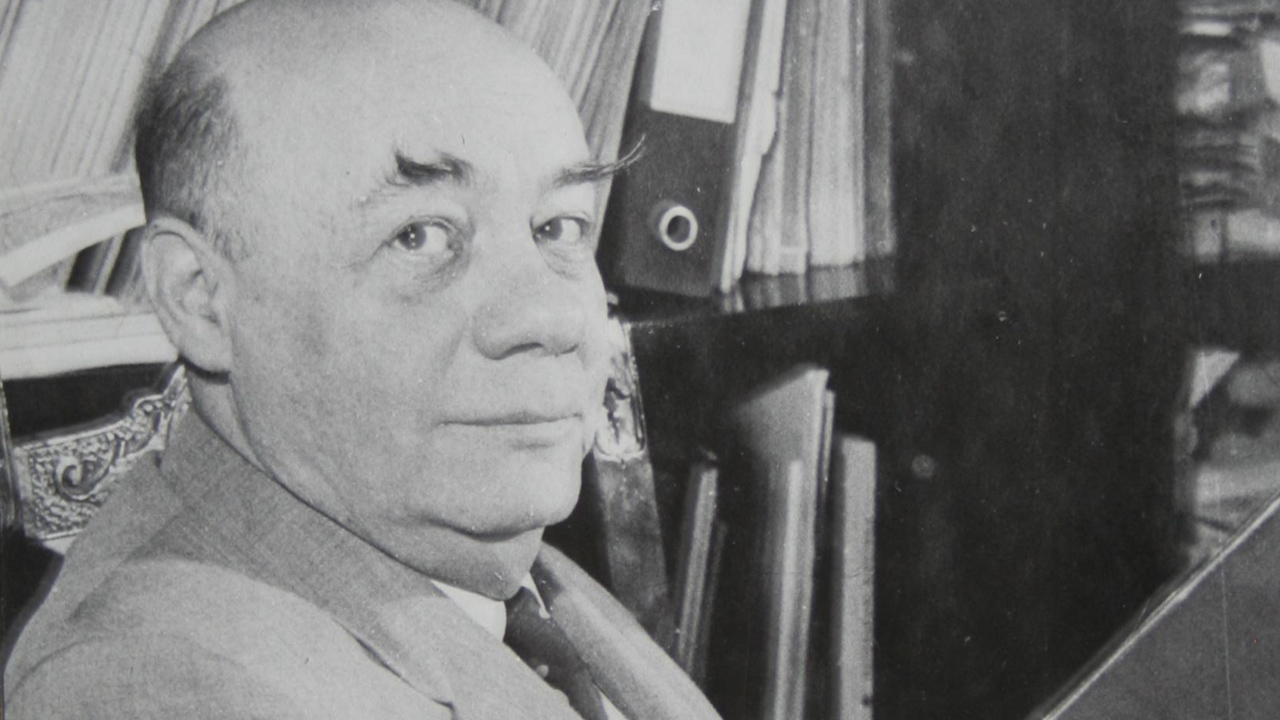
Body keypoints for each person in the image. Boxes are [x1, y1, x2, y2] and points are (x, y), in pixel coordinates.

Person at [2, 1, 719, 718]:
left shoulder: (479, 558)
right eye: (420, 236)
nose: (552, 318)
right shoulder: (166, 686)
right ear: (200, 298)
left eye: (558, 226)